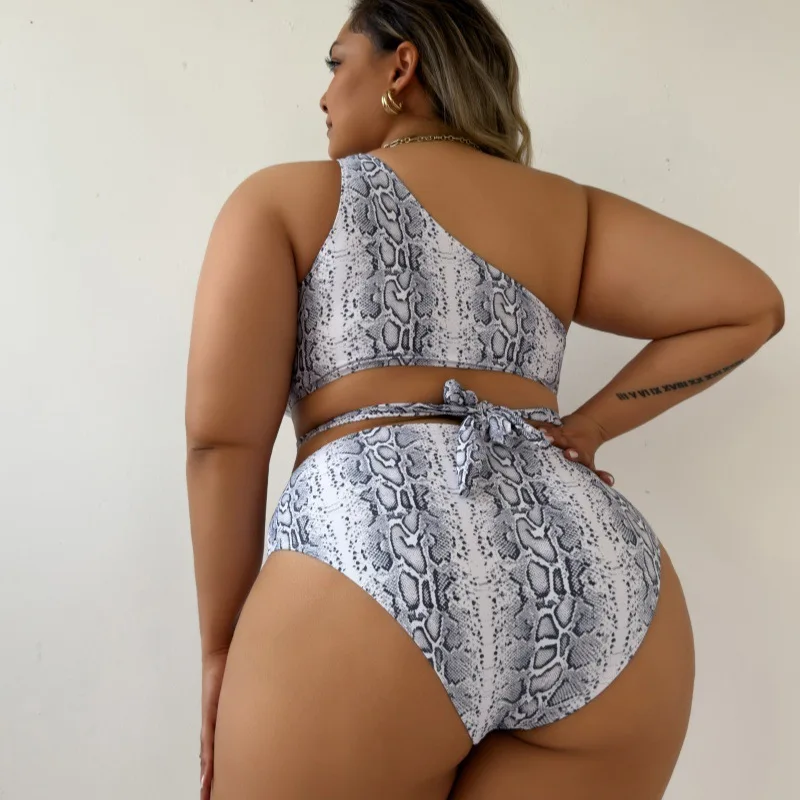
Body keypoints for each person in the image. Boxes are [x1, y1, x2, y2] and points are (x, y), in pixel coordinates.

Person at [184, 1, 785, 798]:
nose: (324, 94)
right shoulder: (565, 211)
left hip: (378, 560)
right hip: (597, 585)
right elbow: (750, 307)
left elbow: (222, 445)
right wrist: (589, 428)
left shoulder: (286, 199)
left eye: (336, 63)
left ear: (402, 67)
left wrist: (221, 650)